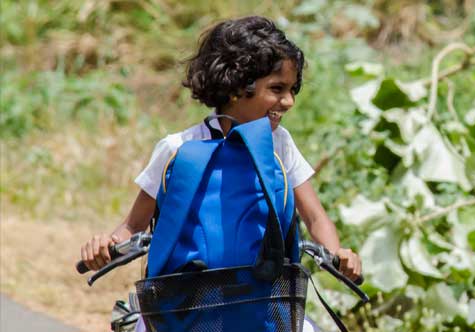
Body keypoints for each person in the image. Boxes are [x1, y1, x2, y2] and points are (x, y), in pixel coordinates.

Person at [79, 16, 361, 282]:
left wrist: (338, 255)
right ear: (236, 87)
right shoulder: (178, 149)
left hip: (261, 299)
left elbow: (315, 217)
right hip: (186, 302)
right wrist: (106, 246)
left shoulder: (280, 143)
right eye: (277, 89)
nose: (288, 101)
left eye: (292, 90)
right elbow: (133, 225)